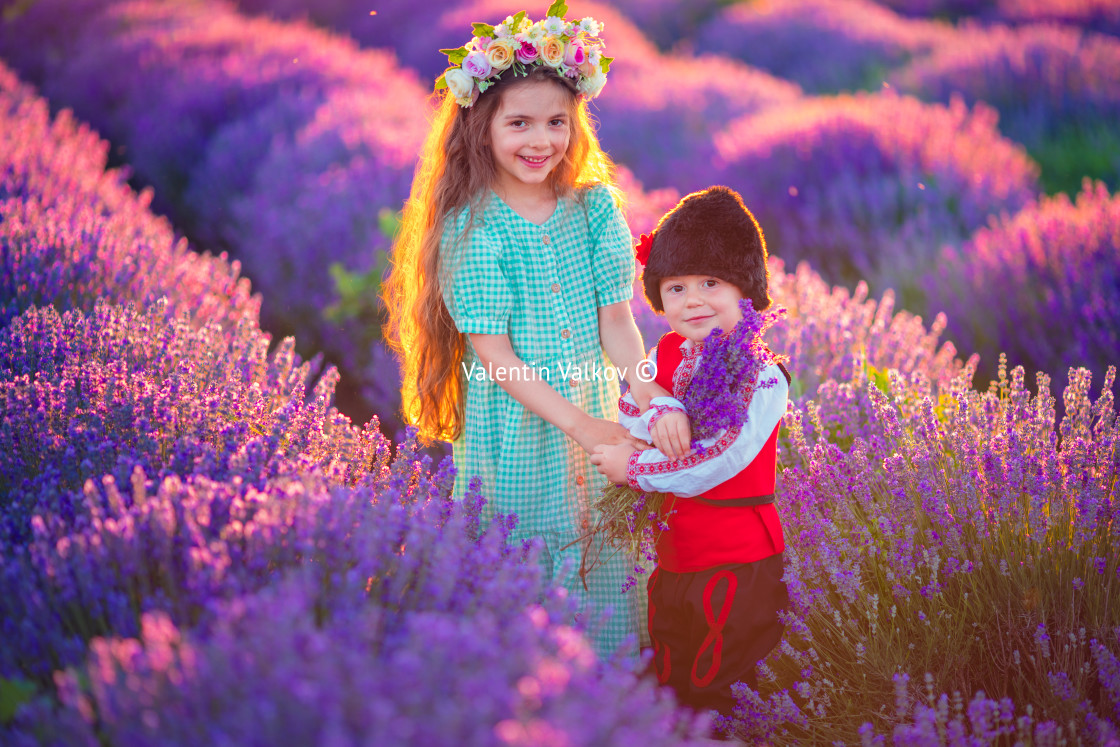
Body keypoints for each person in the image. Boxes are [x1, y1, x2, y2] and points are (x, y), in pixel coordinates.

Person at [382, 6, 670, 661]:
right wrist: (584, 426)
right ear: (481, 130)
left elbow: (618, 322)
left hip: (595, 412)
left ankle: (613, 698)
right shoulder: (472, 230)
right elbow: (497, 360)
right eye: (519, 123)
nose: (541, 140)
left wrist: (650, 394)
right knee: (527, 566)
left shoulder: (594, 208)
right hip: (518, 430)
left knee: (606, 559)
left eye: (556, 122)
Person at [590, 186, 791, 717]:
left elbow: (718, 458)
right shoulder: (670, 352)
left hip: (736, 563)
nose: (693, 299)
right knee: (673, 676)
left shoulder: (762, 373)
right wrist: (657, 411)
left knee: (723, 686)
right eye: (675, 287)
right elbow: (634, 405)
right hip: (676, 559)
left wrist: (634, 468)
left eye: (710, 283)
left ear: (744, 289)